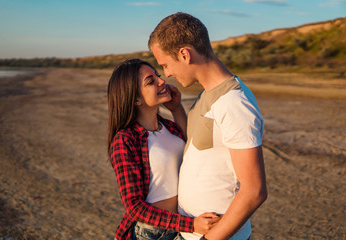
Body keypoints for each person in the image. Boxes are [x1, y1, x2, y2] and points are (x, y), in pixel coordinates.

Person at [148, 12, 268, 240]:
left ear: (184, 54)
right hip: (190, 232)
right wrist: (176, 110)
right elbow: (199, 144)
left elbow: (255, 191)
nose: (167, 74)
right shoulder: (208, 94)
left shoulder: (234, 104)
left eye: (165, 64)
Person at [107, 58, 220, 240]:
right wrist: (191, 225)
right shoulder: (125, 140)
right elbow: (134, 207)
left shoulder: (169, 127)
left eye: (158, 76)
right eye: (151, 81)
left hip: (182, 223)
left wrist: (176, 109)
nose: (162, 81)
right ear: (135, 98)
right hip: (152, 232)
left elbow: (192, 146)